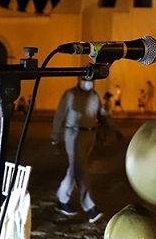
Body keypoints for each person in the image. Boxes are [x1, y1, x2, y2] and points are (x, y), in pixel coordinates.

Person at [51, 77, 121, 224]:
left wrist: (113, 129)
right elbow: (59, 116)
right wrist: (55, 138)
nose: (89, 82)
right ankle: (90, 207)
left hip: (90, 135)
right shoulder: (70, 95)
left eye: (91, 79)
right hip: (74, 134)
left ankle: (62, 199)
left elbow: (102, 115)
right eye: (86, 79)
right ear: (80, 79)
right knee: (81, 171)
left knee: (75, 169)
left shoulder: (94, 96)